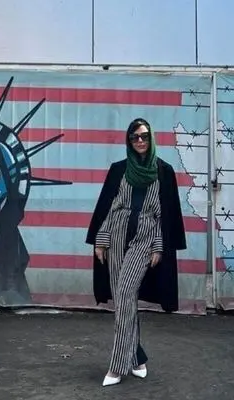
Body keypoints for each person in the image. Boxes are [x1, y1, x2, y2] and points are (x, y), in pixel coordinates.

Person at [85, 117, 187, 387]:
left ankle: (117, 366)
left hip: (144, 239)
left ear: (152, 138)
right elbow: (108, 207)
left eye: (144, 136)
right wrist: (101, 239)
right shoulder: (119, 169)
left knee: (125, 292)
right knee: (124, 300)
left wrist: (159, 245)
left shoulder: (164, 171)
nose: (140, 141)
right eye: (134, 137)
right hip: (116, 236)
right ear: (128, 141)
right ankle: (137, 357)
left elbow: (166, 216)